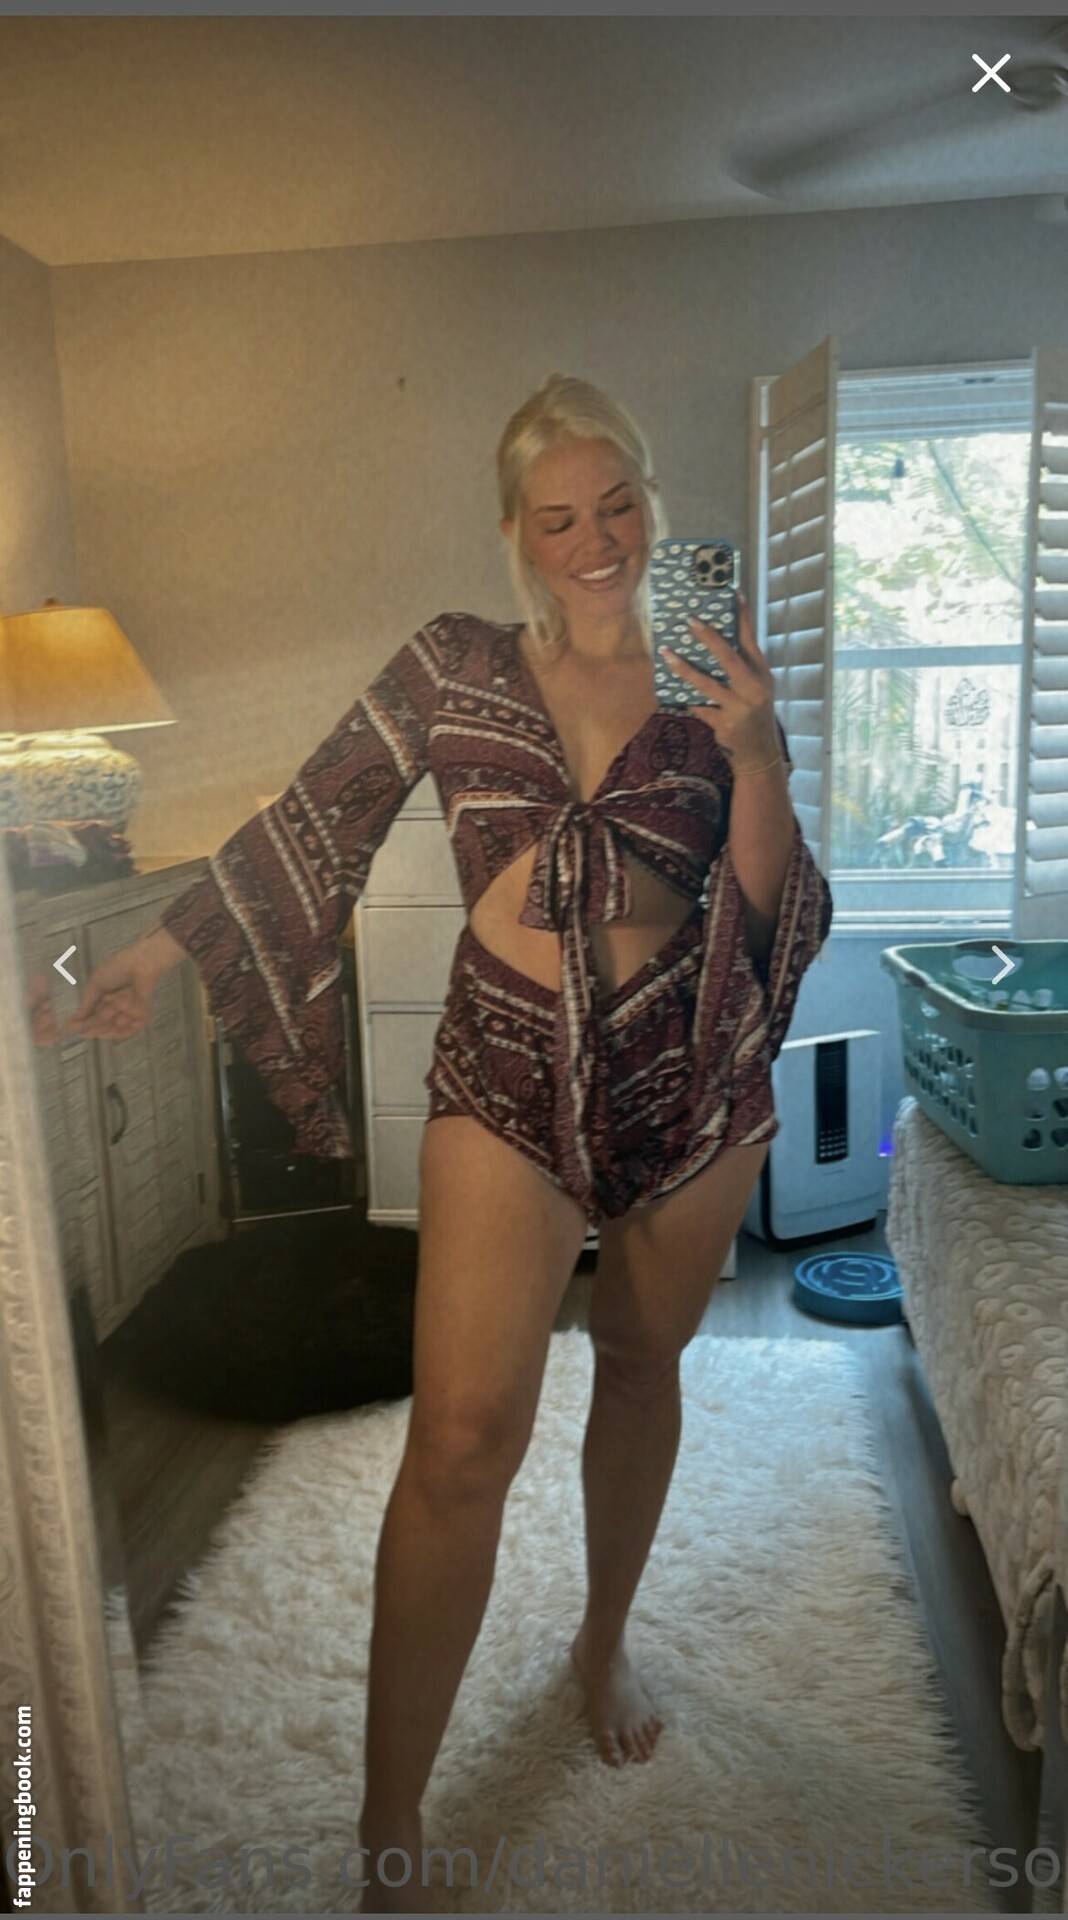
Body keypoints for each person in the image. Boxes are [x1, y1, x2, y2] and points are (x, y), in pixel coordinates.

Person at [59, 375, 833, 1911]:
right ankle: (392, 1808)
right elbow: (311, 817)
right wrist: (144, 959)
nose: (596, 540)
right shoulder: (455, 660)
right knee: (464, 1435)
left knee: (640, 1365)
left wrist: (760, 752)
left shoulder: (714, 670)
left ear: (651, 503)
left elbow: (764, 909)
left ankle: (601, 1641)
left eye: (618, 505)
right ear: (514, 534)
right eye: (559, 518)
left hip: (688, 1069)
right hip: (505, 1067)